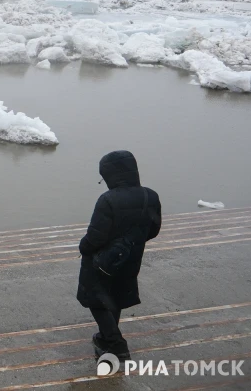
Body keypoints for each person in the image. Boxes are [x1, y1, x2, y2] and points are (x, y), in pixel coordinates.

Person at [77, 150, 161, 360]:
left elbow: (95, 237)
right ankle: (105, 338)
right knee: (115, 298)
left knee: (97, 300)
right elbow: (153, 229)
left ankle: (117, 344)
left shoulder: (108, 200)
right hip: (131, 257)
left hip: (102, 261)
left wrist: (83, 248)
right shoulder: (150, 196)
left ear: (111, 175)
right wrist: (131, 244)